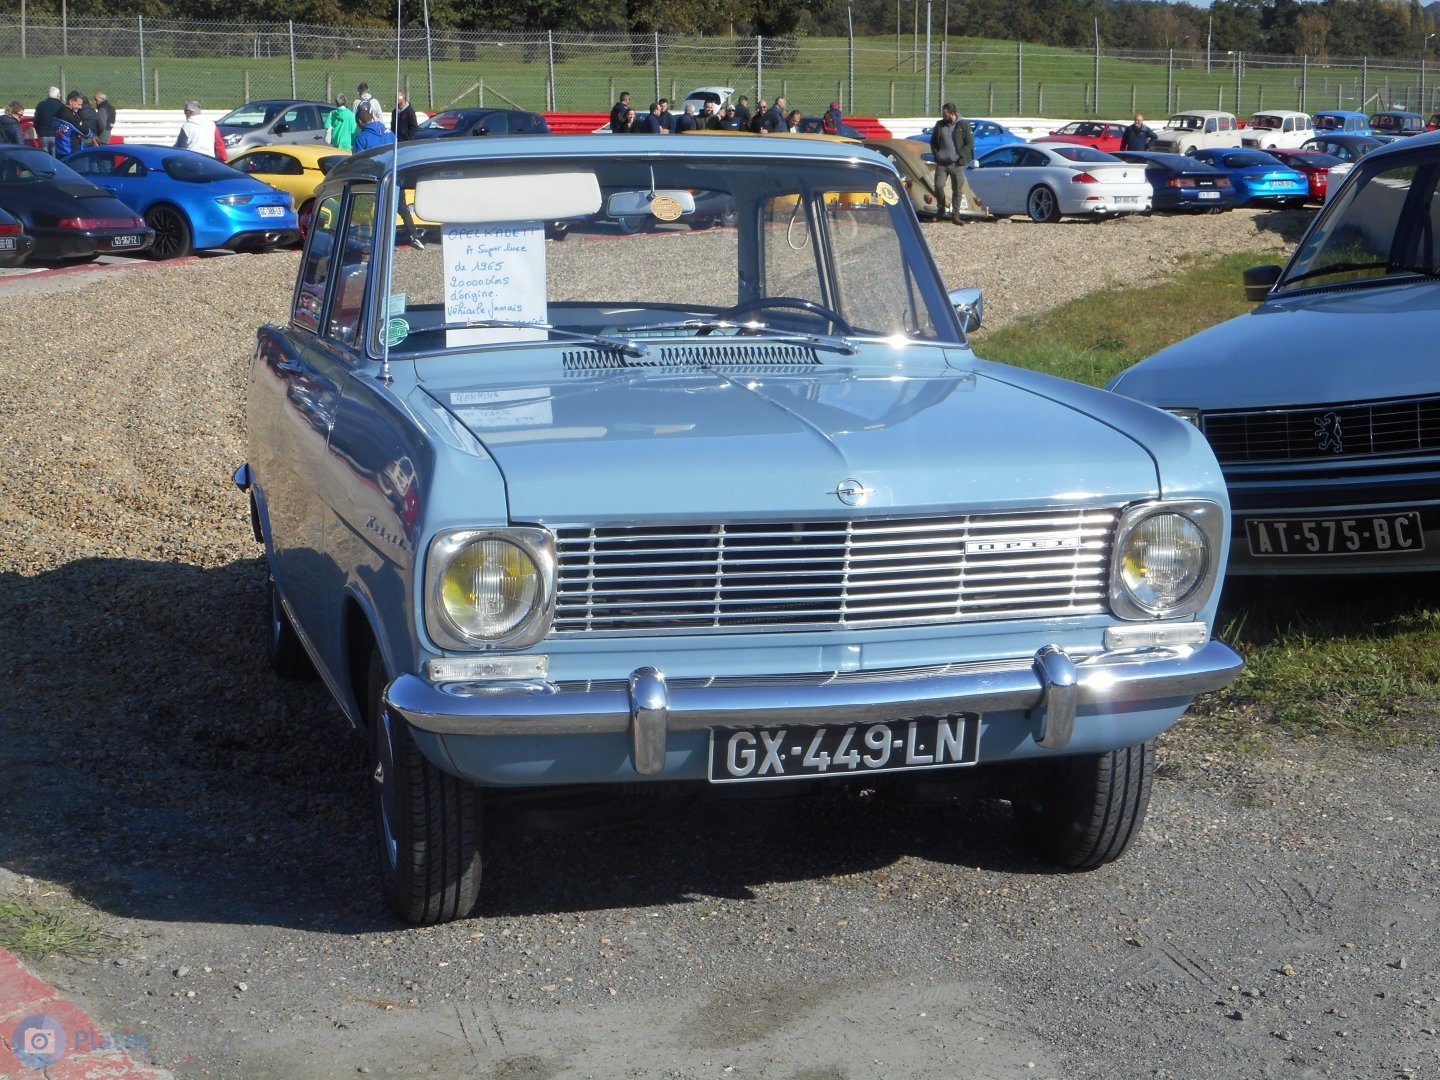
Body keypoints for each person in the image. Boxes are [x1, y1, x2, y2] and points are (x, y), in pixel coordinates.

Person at [929, 102, 974, 224]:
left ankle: (955, 215)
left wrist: (959, 155)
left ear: (952, 114)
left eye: (945, 114)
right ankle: (941, 209)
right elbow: (933, 142)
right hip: (942, 163)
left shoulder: (963, 126)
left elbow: (970, 144)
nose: (943, 116)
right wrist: (936, 154)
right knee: (938, 186)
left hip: (957, 164)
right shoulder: (939, 125)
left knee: (957, 190)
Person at [52, 91, 87, 156]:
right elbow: (86, 132)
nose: (80, 107)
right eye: (78, 104)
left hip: (59, 149)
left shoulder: (59, 111)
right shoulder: (69, 116)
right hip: (70, 152)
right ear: (71, 102)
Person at [33, 86, 62, 155]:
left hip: (43, 134)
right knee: (55, 157)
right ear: (58, 95)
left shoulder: (41, 104)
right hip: (55, 135)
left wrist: (39, 131)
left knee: (44, 156)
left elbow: (35, 120)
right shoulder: (61, 106)